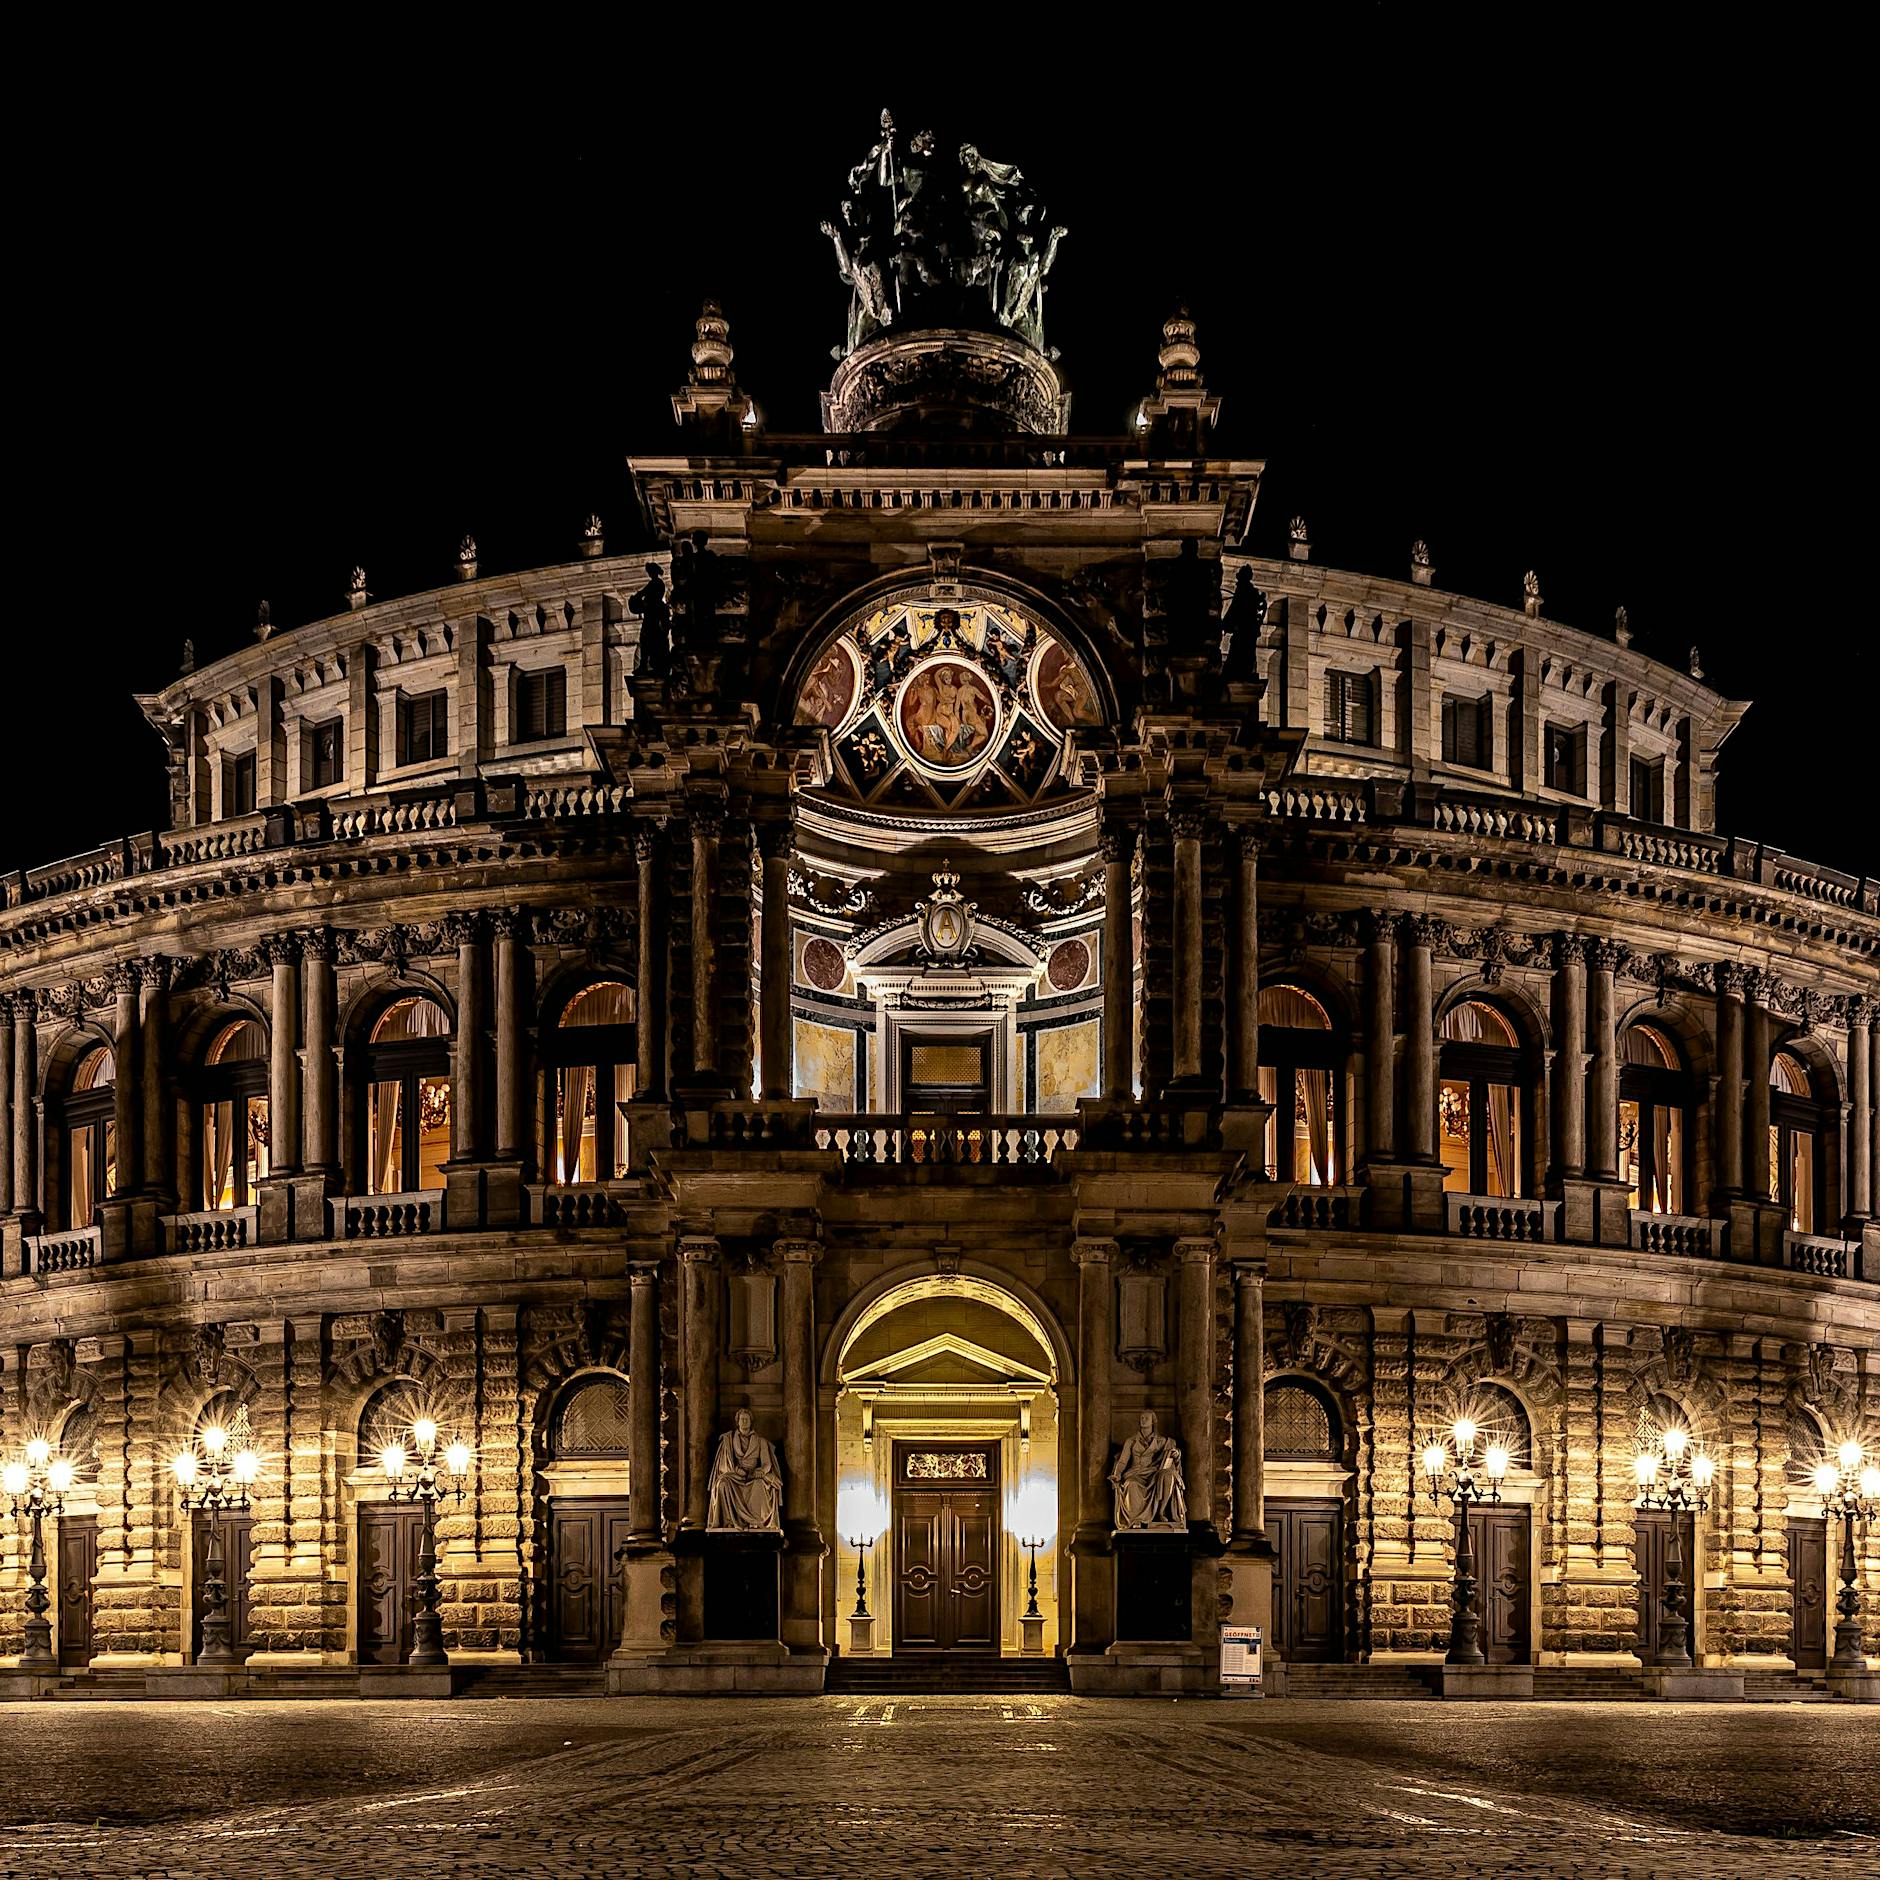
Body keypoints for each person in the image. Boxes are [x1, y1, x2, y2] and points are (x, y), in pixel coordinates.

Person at [706, 1408, 783, 1531]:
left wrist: (761, 1471)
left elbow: (767, 1463)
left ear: (751, 1422)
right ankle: (729, 1521)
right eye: (742, 1419)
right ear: (738, 1421)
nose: (744, 1422)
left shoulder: (761, 1441)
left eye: (747, 1419)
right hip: (735, 1475)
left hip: (753, 1476)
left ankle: (755, 1521)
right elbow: (722, 1464)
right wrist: (735, 1469)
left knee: (760, 1485)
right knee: (722, 1484)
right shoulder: (728, 1440)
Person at [1109, 1410, 1186, 1530]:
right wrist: (1117, 1474)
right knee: (1131, 1485)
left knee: (1169, 1475)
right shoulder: (1131, 1441)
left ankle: (1161, 1512)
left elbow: (1172, 1454)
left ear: (1153, 1422)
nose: (1143, 1420)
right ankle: (1136, 1520)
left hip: (1153, 1474)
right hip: (1135, 1474)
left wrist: (1177, 1454)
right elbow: (1122, 1461)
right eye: (1142, 1418)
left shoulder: (1162, 1441)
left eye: (1146, 1418)